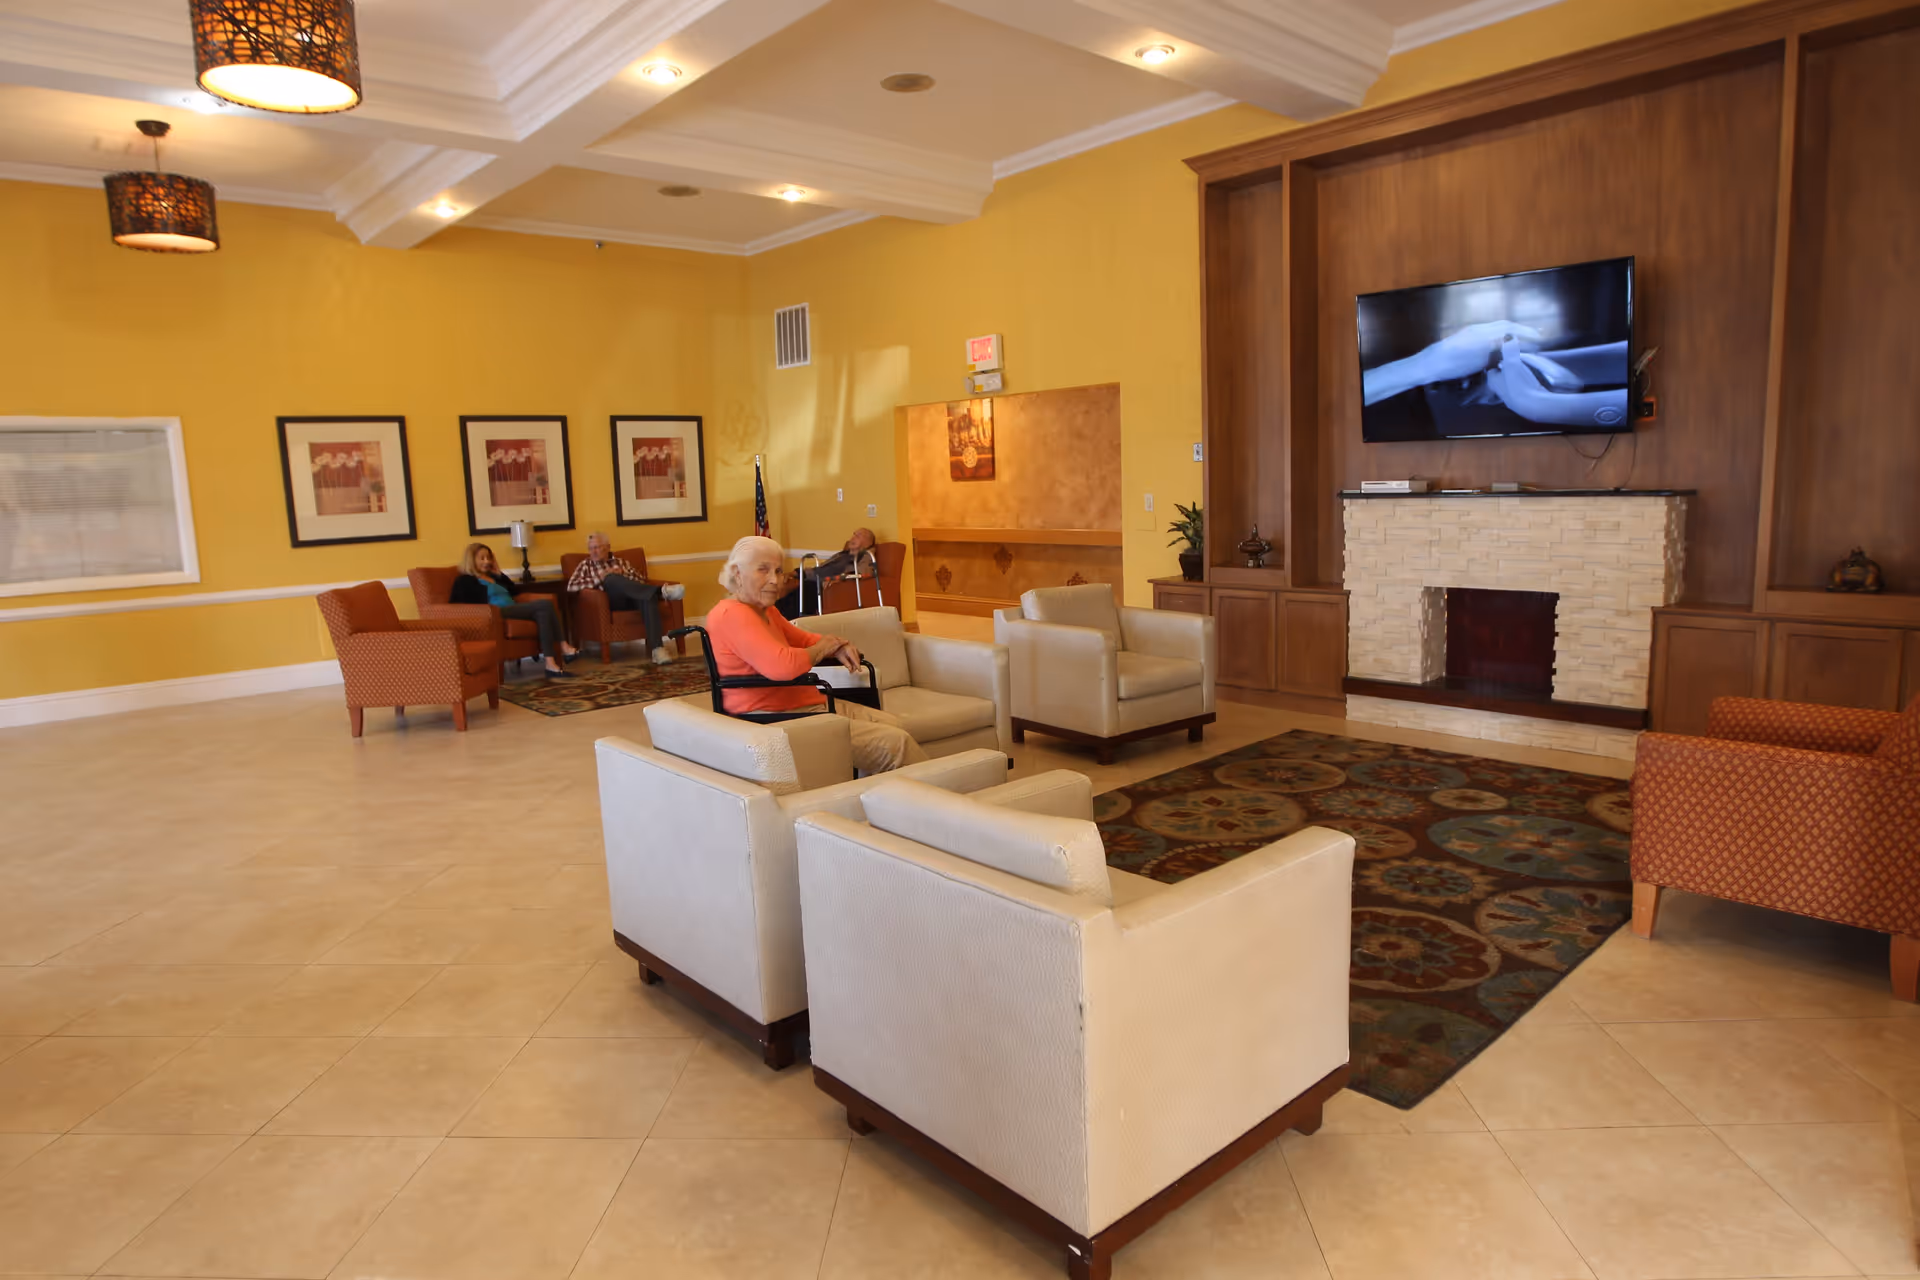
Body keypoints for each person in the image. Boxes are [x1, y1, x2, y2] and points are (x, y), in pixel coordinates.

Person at [709, 536, 926, 773]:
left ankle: (884, 797)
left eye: (779, 571)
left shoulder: (765, 610)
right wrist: (825, 647)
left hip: (807, 705)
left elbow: (805, 640)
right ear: (737, 573)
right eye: (763, 570)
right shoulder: (733, 615)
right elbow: (783, 666)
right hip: (778, 717)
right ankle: (940, 804)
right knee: (896, 745)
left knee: (898, 726)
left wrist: (837, 645)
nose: (775, 579)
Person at [451, 542, 578, 679]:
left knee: (543, 612)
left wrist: (499, 574)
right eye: (482, 558)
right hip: (496, 613)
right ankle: (564, 646)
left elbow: (515, 591)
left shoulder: (493, 577)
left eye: (488, 558)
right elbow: (460, 605)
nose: (486, 561)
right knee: (544, 605)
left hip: (513, 609)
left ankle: (550, 664)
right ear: (471, 559)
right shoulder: (465, 580)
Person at [566, 532, 687, 666]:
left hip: (633, 598)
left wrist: (625, 574)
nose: (593, 552)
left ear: (607, 547)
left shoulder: (621, 562)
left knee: (647, 596)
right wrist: (601, 578)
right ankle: (661, 592)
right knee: (611, 578)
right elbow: (571, 586)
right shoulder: (585, 565)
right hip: (611, 603)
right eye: (590, 548)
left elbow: (641, 581)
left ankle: (657, 649)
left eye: (597, 547)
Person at [774, 526, 878, 619]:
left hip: (822, 584)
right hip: (815, 578)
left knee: (800, 589)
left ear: (867, 542)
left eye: (858, 535)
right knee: (784, 581)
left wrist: (840, 577)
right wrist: (796, 572)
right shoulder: (842, 555)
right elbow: (821, 568)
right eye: (854, 534)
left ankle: (782, 620)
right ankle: (773, 617)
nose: (853, 537)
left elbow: (865, 571)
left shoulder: (866, 556)